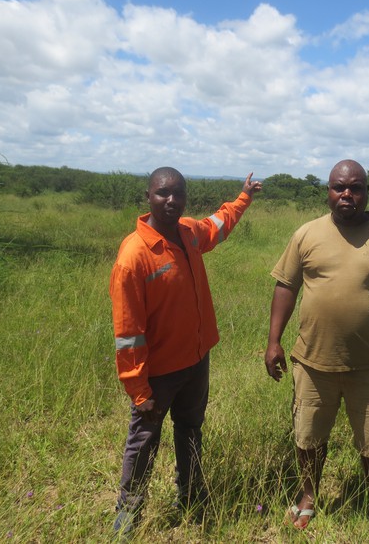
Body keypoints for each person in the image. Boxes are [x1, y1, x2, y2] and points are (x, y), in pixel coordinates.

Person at [264, 159, 369, 543]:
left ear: (367, 192)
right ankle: (307, 498)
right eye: (338, 187)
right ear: (328, 191)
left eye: (355, 187)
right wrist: (273, 341)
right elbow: (286, 286)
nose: (347, 194)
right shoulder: (306, 234)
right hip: (312, 361)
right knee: (308, 437)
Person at [110, 167, 262, 535]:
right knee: (144, 441)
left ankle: (191, 495)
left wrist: (243, 197)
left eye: (178, 194)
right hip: (159, 373)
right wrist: (138, 388)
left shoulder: (189, 233)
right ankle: (128, 515)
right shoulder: (134, 256)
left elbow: (219, 223)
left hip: (196, 360)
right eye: (163, 193)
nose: (171, 201)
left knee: (191, 430)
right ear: (148, 197)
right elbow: (128, 332)